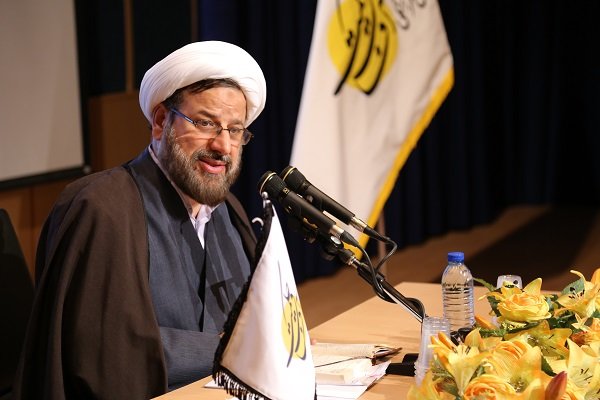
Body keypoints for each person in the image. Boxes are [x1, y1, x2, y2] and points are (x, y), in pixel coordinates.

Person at [13, 41, 267, 399]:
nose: (223, 146)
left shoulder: (228, 212)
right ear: (161, 121)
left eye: (235, 130)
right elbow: (107, 353)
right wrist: (233, 349)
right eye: (206, 123)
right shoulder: (102, 210)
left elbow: (253, 321)